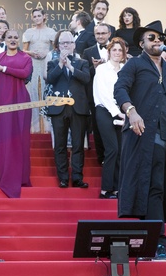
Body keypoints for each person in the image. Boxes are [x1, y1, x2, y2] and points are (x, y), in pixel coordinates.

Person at [114, 20, 166, 261]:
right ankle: (158, 244)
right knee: (155, 188)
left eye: (160, 38)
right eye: (151, 38)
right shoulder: (135, 65)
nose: (157, 41)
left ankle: (148, 243)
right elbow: (120, 89)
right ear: (141, 44)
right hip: (146, 137)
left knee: (160, 190)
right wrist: (131, 111)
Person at [0, 28, 33, 198]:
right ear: (4, 39)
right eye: (9, 37)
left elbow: (25, 74)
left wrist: (4, 69)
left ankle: (19, 178)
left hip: (20, 101)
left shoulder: (25, 58)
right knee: (1, 138)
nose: (13, 40)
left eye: (15, 37)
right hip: (0, 101)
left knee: (18, 139)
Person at [46, 31, 91, 189]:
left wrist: (70, 67)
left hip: (78, 108)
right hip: (58, 108)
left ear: (74, 45)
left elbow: (86, 79)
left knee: (78, 144)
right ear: (58, 46)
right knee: (60, 145)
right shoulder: (52, 63)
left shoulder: (82, 62)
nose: (66, 45)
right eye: (63, 43)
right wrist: (60, 64)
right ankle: (63, 178)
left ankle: (77, 177)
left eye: (69, 42)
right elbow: (50, 79)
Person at [93, 38, 128, 199]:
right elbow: (104, 95)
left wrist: (126, 110)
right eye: (114, 50)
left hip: (122, 111)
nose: (117, 53)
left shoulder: (125, 69)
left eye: (120, 50)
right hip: (105, 111)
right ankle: (105, 189)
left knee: (121, 150)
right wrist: (118, 113)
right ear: (109, 52)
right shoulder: (102, 69)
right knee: (112, 149)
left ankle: (117, 188)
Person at [82, 22, 113, 165]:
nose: (100, 36)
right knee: (98, 126)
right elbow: (84, 75)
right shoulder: (88, 52)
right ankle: (102, 158)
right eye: (97, 34)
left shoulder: (117, 49)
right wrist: (94, 67)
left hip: (114, 95)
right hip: (96, 96)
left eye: (103, 33)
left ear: (109, 34)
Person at [22, 8, 56, 133]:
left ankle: (47, 128)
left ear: (44, 16)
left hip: (46, 63)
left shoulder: (51, 32)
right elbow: (23, 50)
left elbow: (56, 49)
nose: (37, 18)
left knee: (47, 91)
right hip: (33, 64)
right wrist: (31, 53)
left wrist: (47, 53)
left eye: (39, 16)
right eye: (34, 16)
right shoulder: (29, 32)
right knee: (33, 92)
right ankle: (34, 129)